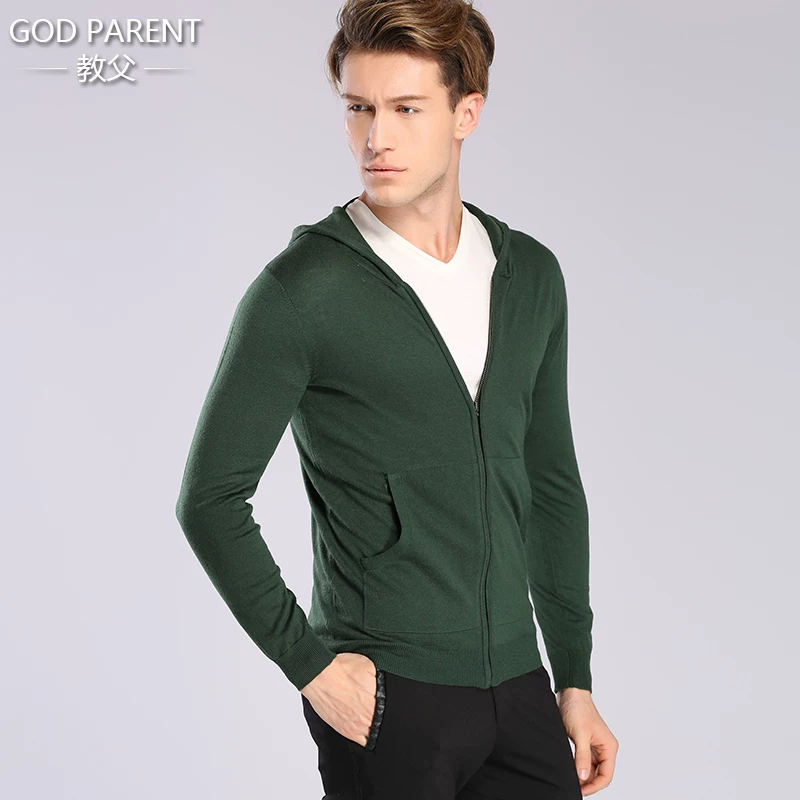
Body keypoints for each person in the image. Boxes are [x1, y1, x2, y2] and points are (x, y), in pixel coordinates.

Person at [175, 0, 618, 797]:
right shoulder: (304, 291)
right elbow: (209, 500)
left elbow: (551, 486)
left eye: (406, 109)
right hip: (387, 698)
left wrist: (574, 679)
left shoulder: (531, 276)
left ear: (466, 113)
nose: (375, 138)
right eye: (359, 108)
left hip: (520, 689)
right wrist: (312, 669)